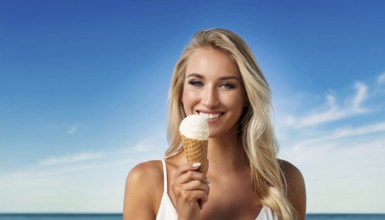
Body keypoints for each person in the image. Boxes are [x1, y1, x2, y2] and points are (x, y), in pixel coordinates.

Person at [123, 28, 306, 220]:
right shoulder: (146, 181)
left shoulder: (287, 180)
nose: (209, 100)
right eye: (196, 82)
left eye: (226, 85)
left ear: (246, 95)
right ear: (180, 91)